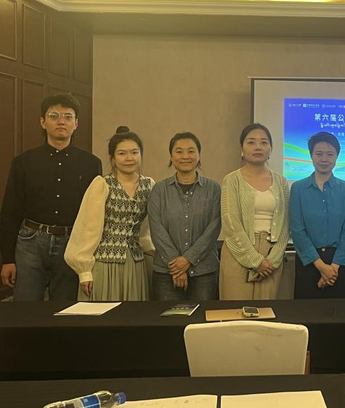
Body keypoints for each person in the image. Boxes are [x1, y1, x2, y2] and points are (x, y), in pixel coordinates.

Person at [0, 93, 102, 301]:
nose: (61, 121)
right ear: (43, 122)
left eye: (68, 116)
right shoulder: (23, 162)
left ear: (76, 123)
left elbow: (95, 215)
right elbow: (10, 211)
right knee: (25, 307)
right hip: (30, 243)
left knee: (65, 309)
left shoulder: (91, 164)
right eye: (54, 116)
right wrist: (7, 258)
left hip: (71, 243)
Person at [65, 126, 154, 301]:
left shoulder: (149, 185)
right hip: (105, 263)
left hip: (135, 263)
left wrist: (152, 249)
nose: (129, 158)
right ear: (112, 157)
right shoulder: (102, 184)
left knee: (134, 314)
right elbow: (88, 228)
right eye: (122, 153)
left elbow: (146, 230)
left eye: (134, 152)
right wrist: (84, 271)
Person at [148, 132, 221, 301]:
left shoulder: (213, 189)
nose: (185, 156)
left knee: (201, 317)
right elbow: (156, 229)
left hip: (204, 271)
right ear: (171, 156)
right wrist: (177, 265)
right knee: (167, 317)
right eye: (179, 151)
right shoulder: (159, 190)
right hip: (166, 271)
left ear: (199, 155)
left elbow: (214, 227)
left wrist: (188, 259)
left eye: (191, 151)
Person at [219, 123, 289, 300]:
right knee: (235, 312)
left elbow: (286, 224)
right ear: (242, 149)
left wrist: (272, 261)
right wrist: (256, 261)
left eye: (264, 142)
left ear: (270, 149)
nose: (258, 147)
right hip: (238, 252)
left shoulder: (281, 182)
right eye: (251, 142)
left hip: (271, 257)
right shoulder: (232, 180)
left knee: (267, 313)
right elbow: (230, 223)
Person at [289, 132, 345, 299]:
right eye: (319, 154)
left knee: (339, 311)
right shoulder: (298, 188)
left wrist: (333, 268)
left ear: (336, 157)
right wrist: (321, 267)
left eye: (330, 154)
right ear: (311, 156)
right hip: (308, 261)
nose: (324, 159)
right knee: (307, 311)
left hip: (339, 263)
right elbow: (297, 230)